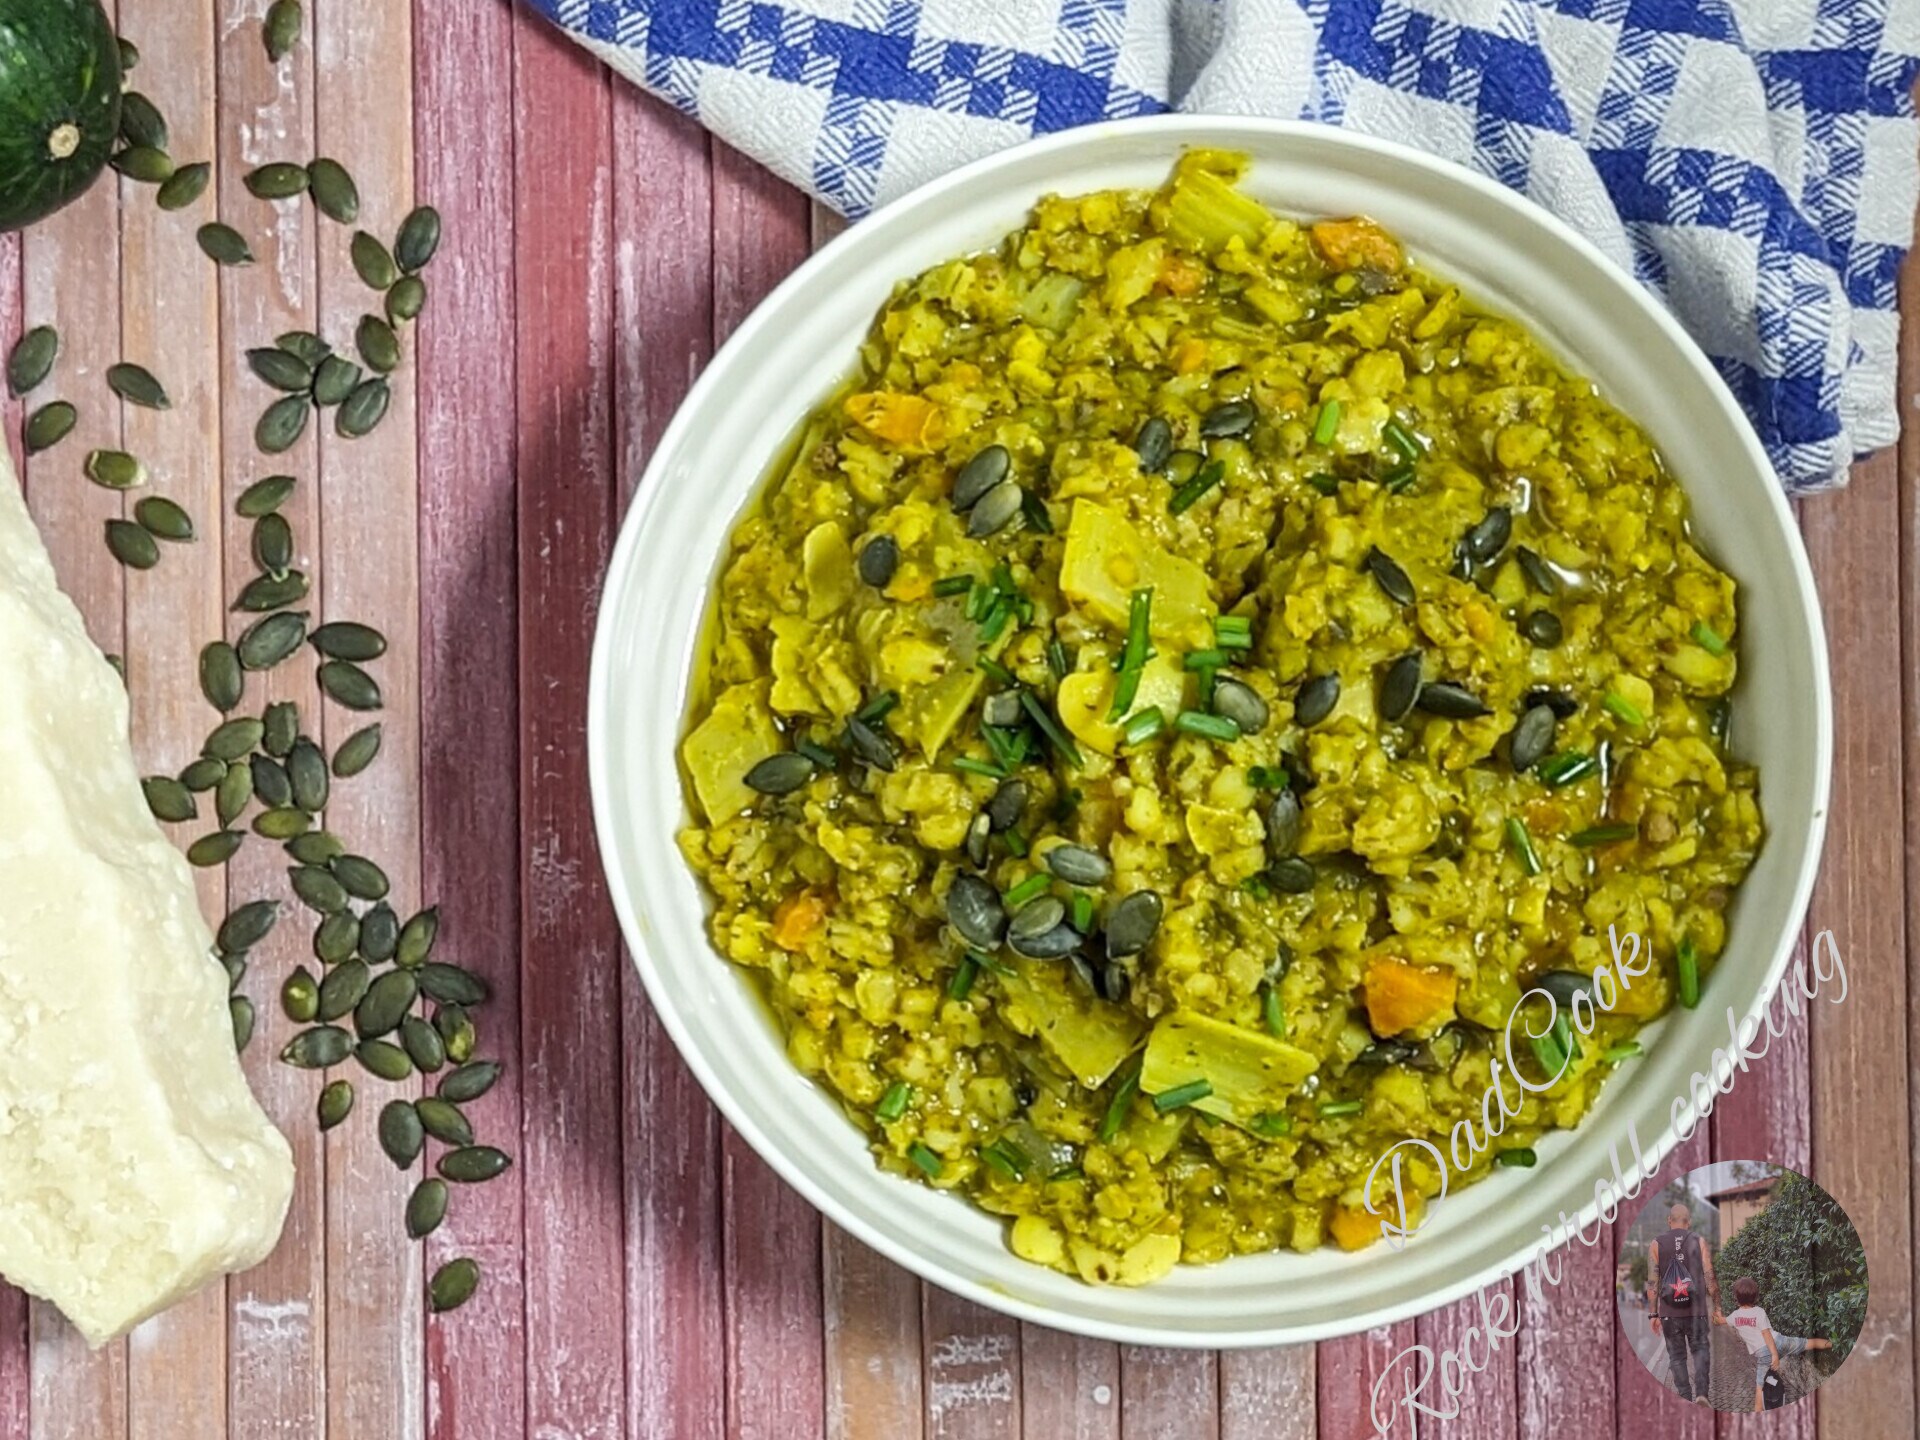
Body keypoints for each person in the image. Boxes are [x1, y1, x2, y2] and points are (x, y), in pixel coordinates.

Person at [1646, 1202, 1721, 1405]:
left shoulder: (1655, 1244)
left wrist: (1653, 1315)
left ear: (1669, 1220)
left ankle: (1686, 1398)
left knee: (1677, 1357)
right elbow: (1709, 1276)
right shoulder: (1699, 1241)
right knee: (1701, 1350)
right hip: (1697, 1312)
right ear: (1689, 1222)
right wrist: (1718, 1307)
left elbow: (1652, 1283)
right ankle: (1702, 1394)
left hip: (1670, 1313)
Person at [1725, 1276, 1832, 1413]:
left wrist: (1774, 1355)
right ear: (1756, 1296)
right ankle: (1834, 1344)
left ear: (1736, 1297)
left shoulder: (1735, 1316)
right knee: (1808, 1343)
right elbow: (1767, 1333)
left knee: (1760, 1386)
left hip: (1766, 1353)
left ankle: (1757, 1413)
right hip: (1780, 1341)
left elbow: (1765, 1334)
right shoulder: (1759, 1311)